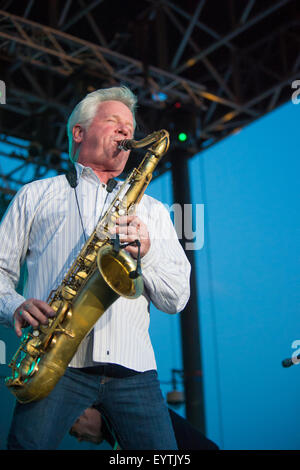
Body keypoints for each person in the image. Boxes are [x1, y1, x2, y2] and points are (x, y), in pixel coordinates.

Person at [0, 86, 191, 450]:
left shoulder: (150, 209)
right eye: (113, 122)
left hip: (134, 370)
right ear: (79, 132)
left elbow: (177, 298)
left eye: (130, 126)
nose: (126, 132)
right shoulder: (36, 194)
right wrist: (14, 305)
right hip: (55, 362)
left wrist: (146, 253)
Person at [70, 405, 220, 450]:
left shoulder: (123, 417)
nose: (80, 439)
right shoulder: (114, 428)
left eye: (75, 432)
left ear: (82, 414)